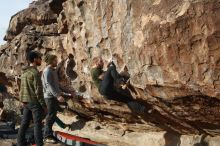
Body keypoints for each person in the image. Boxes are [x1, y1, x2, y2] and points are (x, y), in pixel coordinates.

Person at [17, 51, 46, 146]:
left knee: (24, 123)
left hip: (26, 102)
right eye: (39, 58)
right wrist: (43, 105)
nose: (41, 60)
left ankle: (20, 143)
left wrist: (22, 100)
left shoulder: (24, 72)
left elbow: (21, 88)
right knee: (37, 124)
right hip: (34, 102)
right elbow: (39, 91)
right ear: (34, 59)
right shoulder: (35, 73)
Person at [41, 54, 73, 143]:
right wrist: (57, 95)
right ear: (51, 61)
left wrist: (66, 91)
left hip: (53, 96)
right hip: (49, 97)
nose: (57, 62)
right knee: (50, 116)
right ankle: (47, 136)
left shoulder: (53, 71)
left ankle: (50, 133)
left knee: (53, 114)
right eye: (55, 60)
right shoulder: (47, 71)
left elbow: (56, 84)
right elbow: (49, 85)